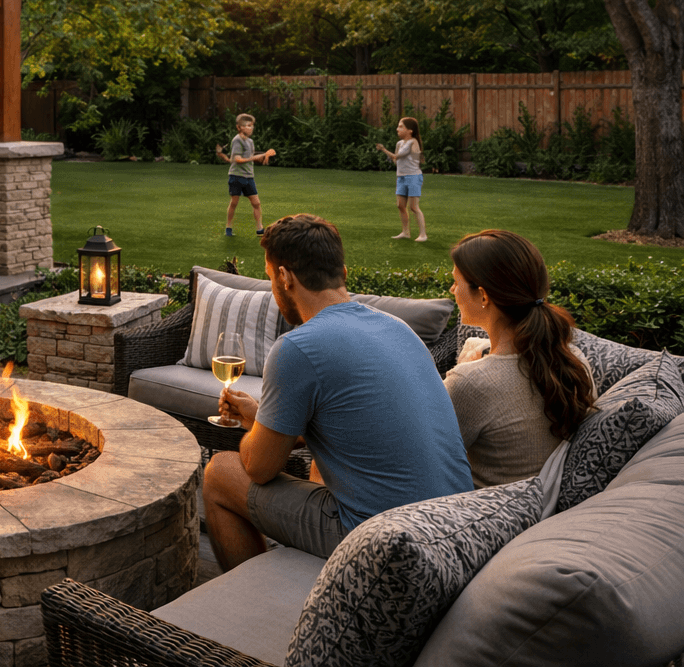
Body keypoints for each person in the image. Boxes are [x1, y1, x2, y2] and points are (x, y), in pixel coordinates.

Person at [205, 214, 472, 571]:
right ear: (342, 273)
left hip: (387, 545)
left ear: (284, 277)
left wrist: (253, 431)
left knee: (220, 472)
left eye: (270, 278)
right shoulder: (398, 329)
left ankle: (254, 592)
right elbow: (350, 423)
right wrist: (262, 415)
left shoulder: (297, 347)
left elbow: (259, 468)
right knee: (318, 465)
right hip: (457, 530)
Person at [445, 230, 596, 488]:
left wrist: (466, 370)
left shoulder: (471, 382)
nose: (452, 290)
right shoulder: (571, 359)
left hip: (473, 515)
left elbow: (417, 459)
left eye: (456, 281)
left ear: (483, 296)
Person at [223, 113, 277, 237]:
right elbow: (237, 159)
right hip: (236, 176)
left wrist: (265, 157)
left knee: (256, 203)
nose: (251, 128)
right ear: (239, 127)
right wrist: (257, 156)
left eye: (252, 126)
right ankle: (228, 228)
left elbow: (251, 158)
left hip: (249, 177)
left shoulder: (250, 141)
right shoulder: (237, 140)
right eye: (247, 126)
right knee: (234, 203)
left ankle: (260, 229)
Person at [375, 117, 426, 241]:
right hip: (401, 177)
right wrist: (393, 158)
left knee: (414, 207)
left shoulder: (413, 142)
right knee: (400, 205)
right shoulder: (399, 144)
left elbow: (397, 156)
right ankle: (405, 232)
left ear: (410, 130)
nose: (397, 129)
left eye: (401, 126)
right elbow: (396, 161)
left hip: (413, 177)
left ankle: (423, 235)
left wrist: (383, 149)